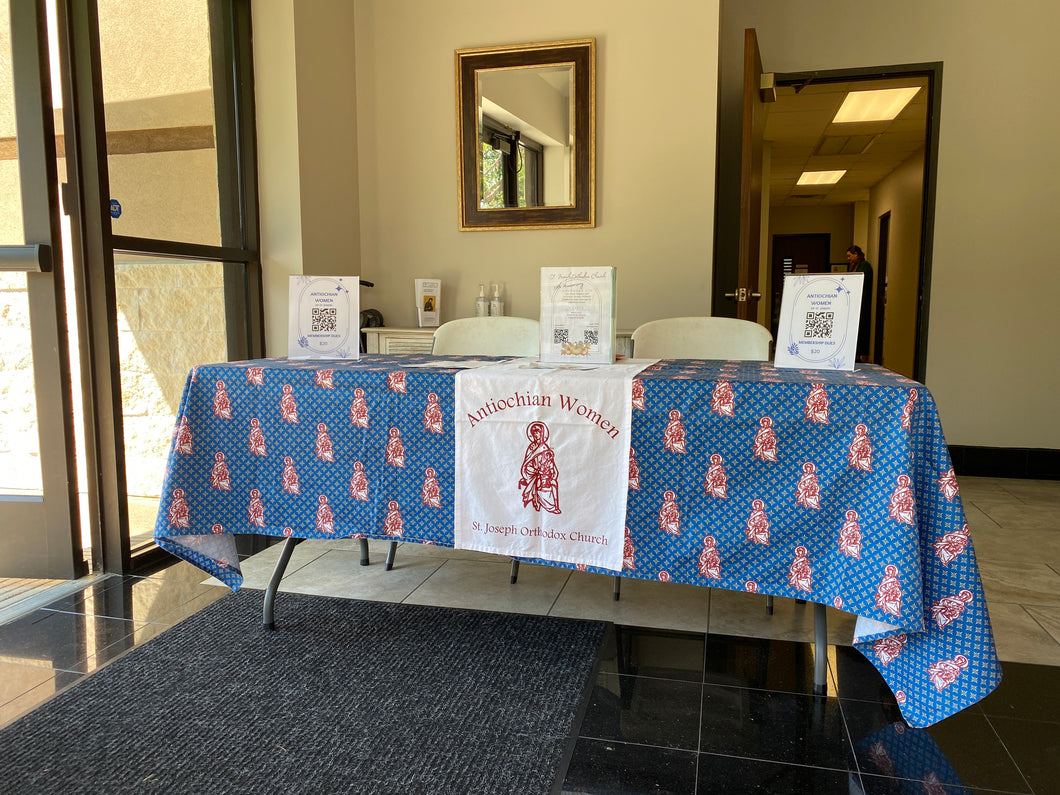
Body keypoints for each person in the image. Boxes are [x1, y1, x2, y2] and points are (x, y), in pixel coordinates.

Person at [846, 245, 873, 362]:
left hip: (863, 303)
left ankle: (861, 355)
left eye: (849, 256)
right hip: (855, 302)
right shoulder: (855, 266)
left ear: (856, 254)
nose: (848, 259)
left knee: (862, 329)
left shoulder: (865, 266)